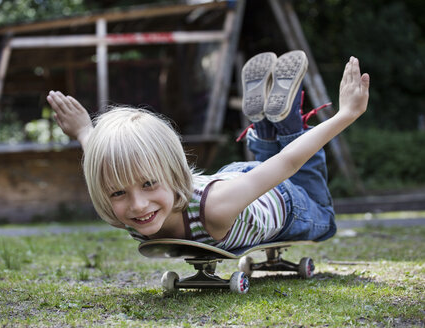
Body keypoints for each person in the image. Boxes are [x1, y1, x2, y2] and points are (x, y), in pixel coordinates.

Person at [46, 50, 369, 250]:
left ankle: (286, 125)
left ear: (174, 173)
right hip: (236, 186)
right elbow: (104, 165)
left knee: (324, 221)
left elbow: (288, 162)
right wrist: (85, 132)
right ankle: (269, 125)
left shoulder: (214, 210)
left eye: (148, 184)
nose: (137, 204)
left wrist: (346, 115)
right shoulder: (121, 192)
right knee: (264, 172)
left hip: (271, 200)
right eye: (118, 193)